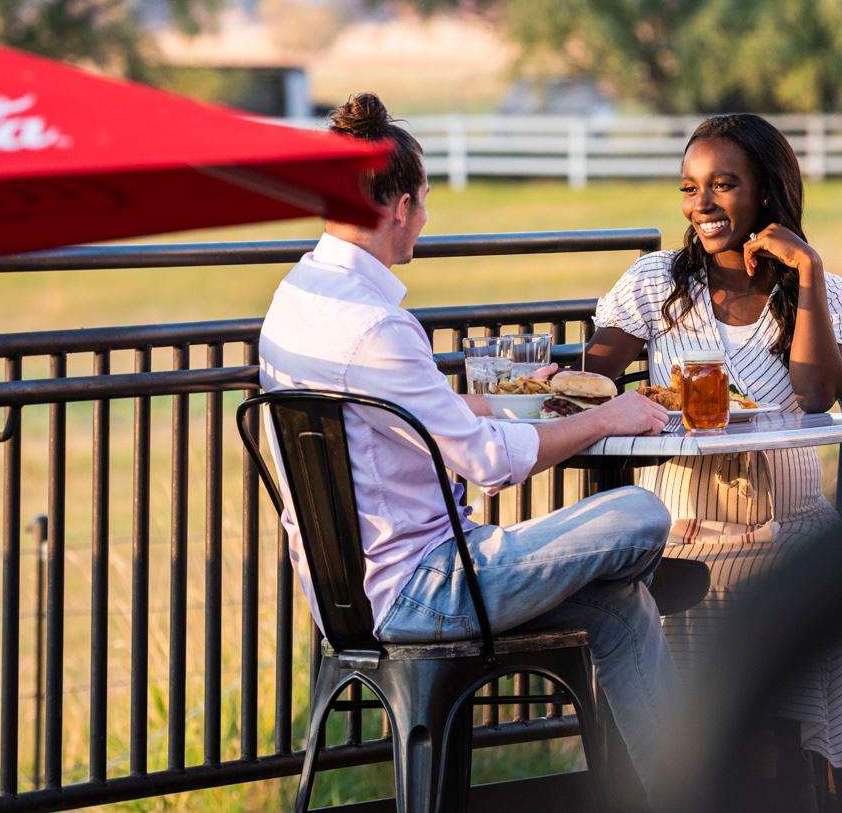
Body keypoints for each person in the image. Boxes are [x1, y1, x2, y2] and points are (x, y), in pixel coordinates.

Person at [257, 93, 685, 802]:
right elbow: (487, 462)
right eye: (423, 202)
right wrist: (612, 417)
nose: (424, 219)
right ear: (396, 206)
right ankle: (632, 566)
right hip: (427, 590)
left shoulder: (299, 297)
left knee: (622, 603)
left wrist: (503, 401)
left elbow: (390, 417)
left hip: (349, 593)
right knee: (639, 513)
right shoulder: (377, 326)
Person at [583, 112, 842, 788]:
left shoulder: (824, 294)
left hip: (788, 529)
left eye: (722, 185)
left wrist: (808, 272)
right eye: (689, 187)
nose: (701, 204)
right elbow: (592, 384)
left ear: (765, 193)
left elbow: (816, 393)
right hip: (679, 534)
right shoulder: (657, 283)